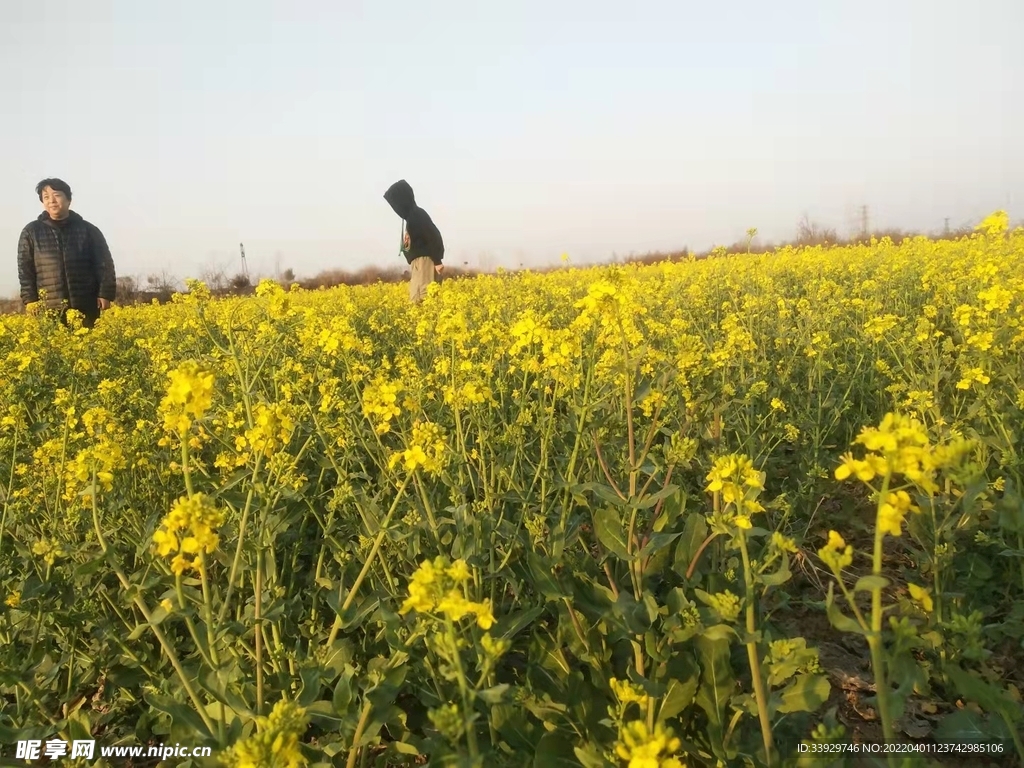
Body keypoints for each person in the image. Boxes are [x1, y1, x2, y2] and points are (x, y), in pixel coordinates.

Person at [17, 178, 116, 328]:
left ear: (68, 199)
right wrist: (30, 299)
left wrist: (105, 294)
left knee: (88, 348)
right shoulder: (31, 232)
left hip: (85, 305)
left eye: (56, 195)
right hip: (49, 308)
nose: (52, 201)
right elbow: (25, 268)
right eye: (46, 197)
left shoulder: (89, 230)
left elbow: (104, 264)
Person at [383, 179, 444, 303]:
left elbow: (433, 235)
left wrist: (437, 260)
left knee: (423, 299)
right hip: (418, 264)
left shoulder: (417, 215)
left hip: (425, 263)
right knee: (417, 300)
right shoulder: (411, 217)